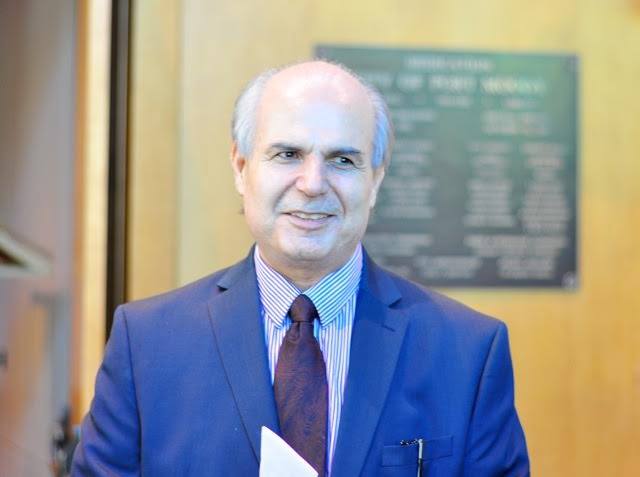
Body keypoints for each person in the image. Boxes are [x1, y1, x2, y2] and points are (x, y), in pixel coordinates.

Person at [72, 60, 529, 476]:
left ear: (375, 180)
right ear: (241, 167)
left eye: (342, 160)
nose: (312, 184)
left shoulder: (467, 352)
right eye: (288, 154)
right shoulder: (147, 344)